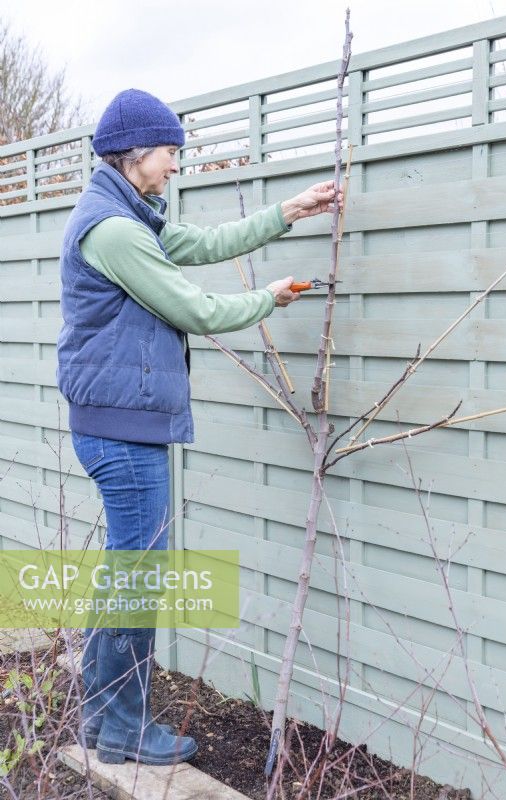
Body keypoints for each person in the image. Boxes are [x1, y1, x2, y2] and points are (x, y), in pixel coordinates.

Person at [56, 88, 343, 767]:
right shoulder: (116, 231)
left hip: (121, 423)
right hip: (123, 433)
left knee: (123, 576)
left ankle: (103, 721)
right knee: (138, 579)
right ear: (133, 158)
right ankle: (124, 728)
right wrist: (267, 297)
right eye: (170, 154)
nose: (176, 166)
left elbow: (205, 243)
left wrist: (288, 211)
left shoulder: (131, 214)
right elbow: (195, 307)